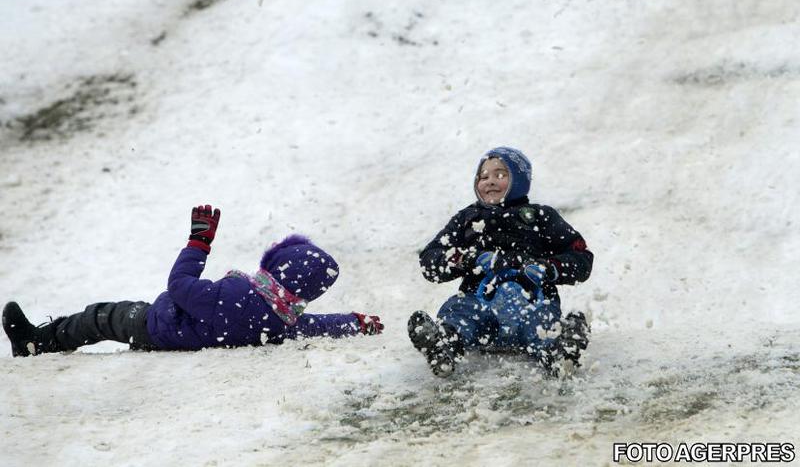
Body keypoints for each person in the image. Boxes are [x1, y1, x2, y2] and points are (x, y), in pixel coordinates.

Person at [3, 204, 383, 357]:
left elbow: (179, 286)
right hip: (180, 331)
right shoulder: (283, 320)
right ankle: (41, 340)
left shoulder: (235, 295)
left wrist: (198, 243)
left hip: (158, 325)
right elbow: (316, 325)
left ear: (277, 264)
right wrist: (354, 322)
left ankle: (36, 342)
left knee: (100, 317)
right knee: (106, 318)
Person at [408, 147, 593, 377]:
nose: (490, 181)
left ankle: (560, 351)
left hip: (533, 302)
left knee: (542, 324)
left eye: (501, 174)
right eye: (483, 176)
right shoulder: (468, 218)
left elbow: (581, 256)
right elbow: (430, 259)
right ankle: (445, 345)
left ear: (520, 180)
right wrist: (467, 259)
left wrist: (549, 268)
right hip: (479, 302)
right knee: (460, 311)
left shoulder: (540, 217)